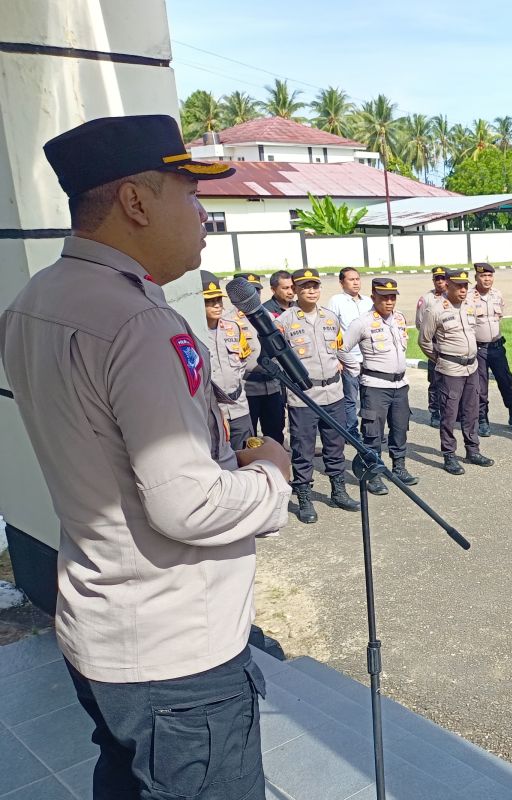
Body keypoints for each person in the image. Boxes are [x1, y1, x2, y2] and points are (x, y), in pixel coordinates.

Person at [0, 114, 292, 798]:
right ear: (135, 201)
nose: (202, 215)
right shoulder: (136, 321)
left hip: (100, 628)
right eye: (189, 194)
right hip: (177, 655)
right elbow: (186, 503)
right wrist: (271, 477)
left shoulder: (34, 301)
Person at [275, 268, 361, 522]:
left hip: (332, 392)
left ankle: (338, 490)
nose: (311, 291)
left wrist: (348, 366)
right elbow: (276, 357)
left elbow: (338, 349)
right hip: (304, 395)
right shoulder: (285, 321)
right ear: (295, 290)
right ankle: (304, 497)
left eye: (315, 286)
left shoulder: (330, 318)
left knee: (334, 445)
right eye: (305, 287)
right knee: (303, 448)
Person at [342, 278, 419, 493]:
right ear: (373, 297)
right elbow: (341, 348)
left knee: (400, 428)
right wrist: (355, 368)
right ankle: (373, 475)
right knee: (373, 432)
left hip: (400, 385)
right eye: (384, 297)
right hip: (375, 386)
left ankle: (399, 468)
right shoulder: (362, 322)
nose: (389, 301)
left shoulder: (400, 319)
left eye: (392, 297)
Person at [418, 268, 494, 474]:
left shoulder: (469, 306)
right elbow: (424, 341)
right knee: (449, 414)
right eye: (458, 285)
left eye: (465, 286)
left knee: (471, 411)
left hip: (472, 366)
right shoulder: (435, 310)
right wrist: (441, 358)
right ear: (448, 285)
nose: (463, 289)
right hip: (450, 369)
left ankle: (473, 450)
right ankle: (449, 455)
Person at [226, 271, 286, 445]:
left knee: (275, 435)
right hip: (248, 389)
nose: (254, 295)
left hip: (272, 386)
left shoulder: (266, 316)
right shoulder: (229, 321)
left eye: (256, 291)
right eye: (249, 290)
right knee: (249, 440)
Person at [202, 271, 254, 450]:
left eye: (218, 300)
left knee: (244, 455)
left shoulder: (233, 328)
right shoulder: (193, 332)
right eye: (209, 302)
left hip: (238, 405)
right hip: (211, 411)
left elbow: (242, 363)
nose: (216, 305)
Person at [469, 262, 512, 435]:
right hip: (479, 349)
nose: (487, 279)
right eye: (483, 276)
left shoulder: (497, 294)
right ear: (476, 277)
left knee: (506, 381)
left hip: (497, 347)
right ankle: (483, 419)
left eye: (490, 276)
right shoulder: (469, 296)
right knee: (480, 387)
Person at [328, 267, 374, 432]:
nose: (355, 282)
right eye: (351, 279)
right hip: (348, 358)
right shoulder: (336, 301)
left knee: (369, 397)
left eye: (357, 279)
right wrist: (337, 358)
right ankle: (351, 429)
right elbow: (332, 329)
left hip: (369, 357)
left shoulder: (368, 301)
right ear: (342, 283)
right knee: (350, 398)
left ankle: (369, 429)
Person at [415, 267, 449, 427]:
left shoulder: (453, 295)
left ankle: (451, 410)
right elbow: (420, 323)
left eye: (443, 278)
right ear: (433, 280)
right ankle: (435, 412)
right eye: (437, 279)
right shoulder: (427, 299)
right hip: (435, 344)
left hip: (451, 344)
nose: (440, 282)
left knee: (454, 380)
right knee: (435, 381)